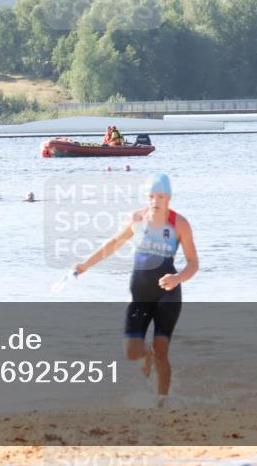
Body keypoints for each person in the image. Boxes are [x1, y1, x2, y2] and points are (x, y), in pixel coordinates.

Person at [75, 173, 199, 403]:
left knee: (162, 350)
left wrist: (177, 277)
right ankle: (146, 355)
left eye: (160, 196)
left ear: (168, 197)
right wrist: (85, 265)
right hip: (140, 295)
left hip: (167, 294)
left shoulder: (179, 224)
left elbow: (193, 263)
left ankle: (161, 401)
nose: (155, 201)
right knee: (131, 351)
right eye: (151, 196)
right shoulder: (137, 218)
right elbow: (113, 243)